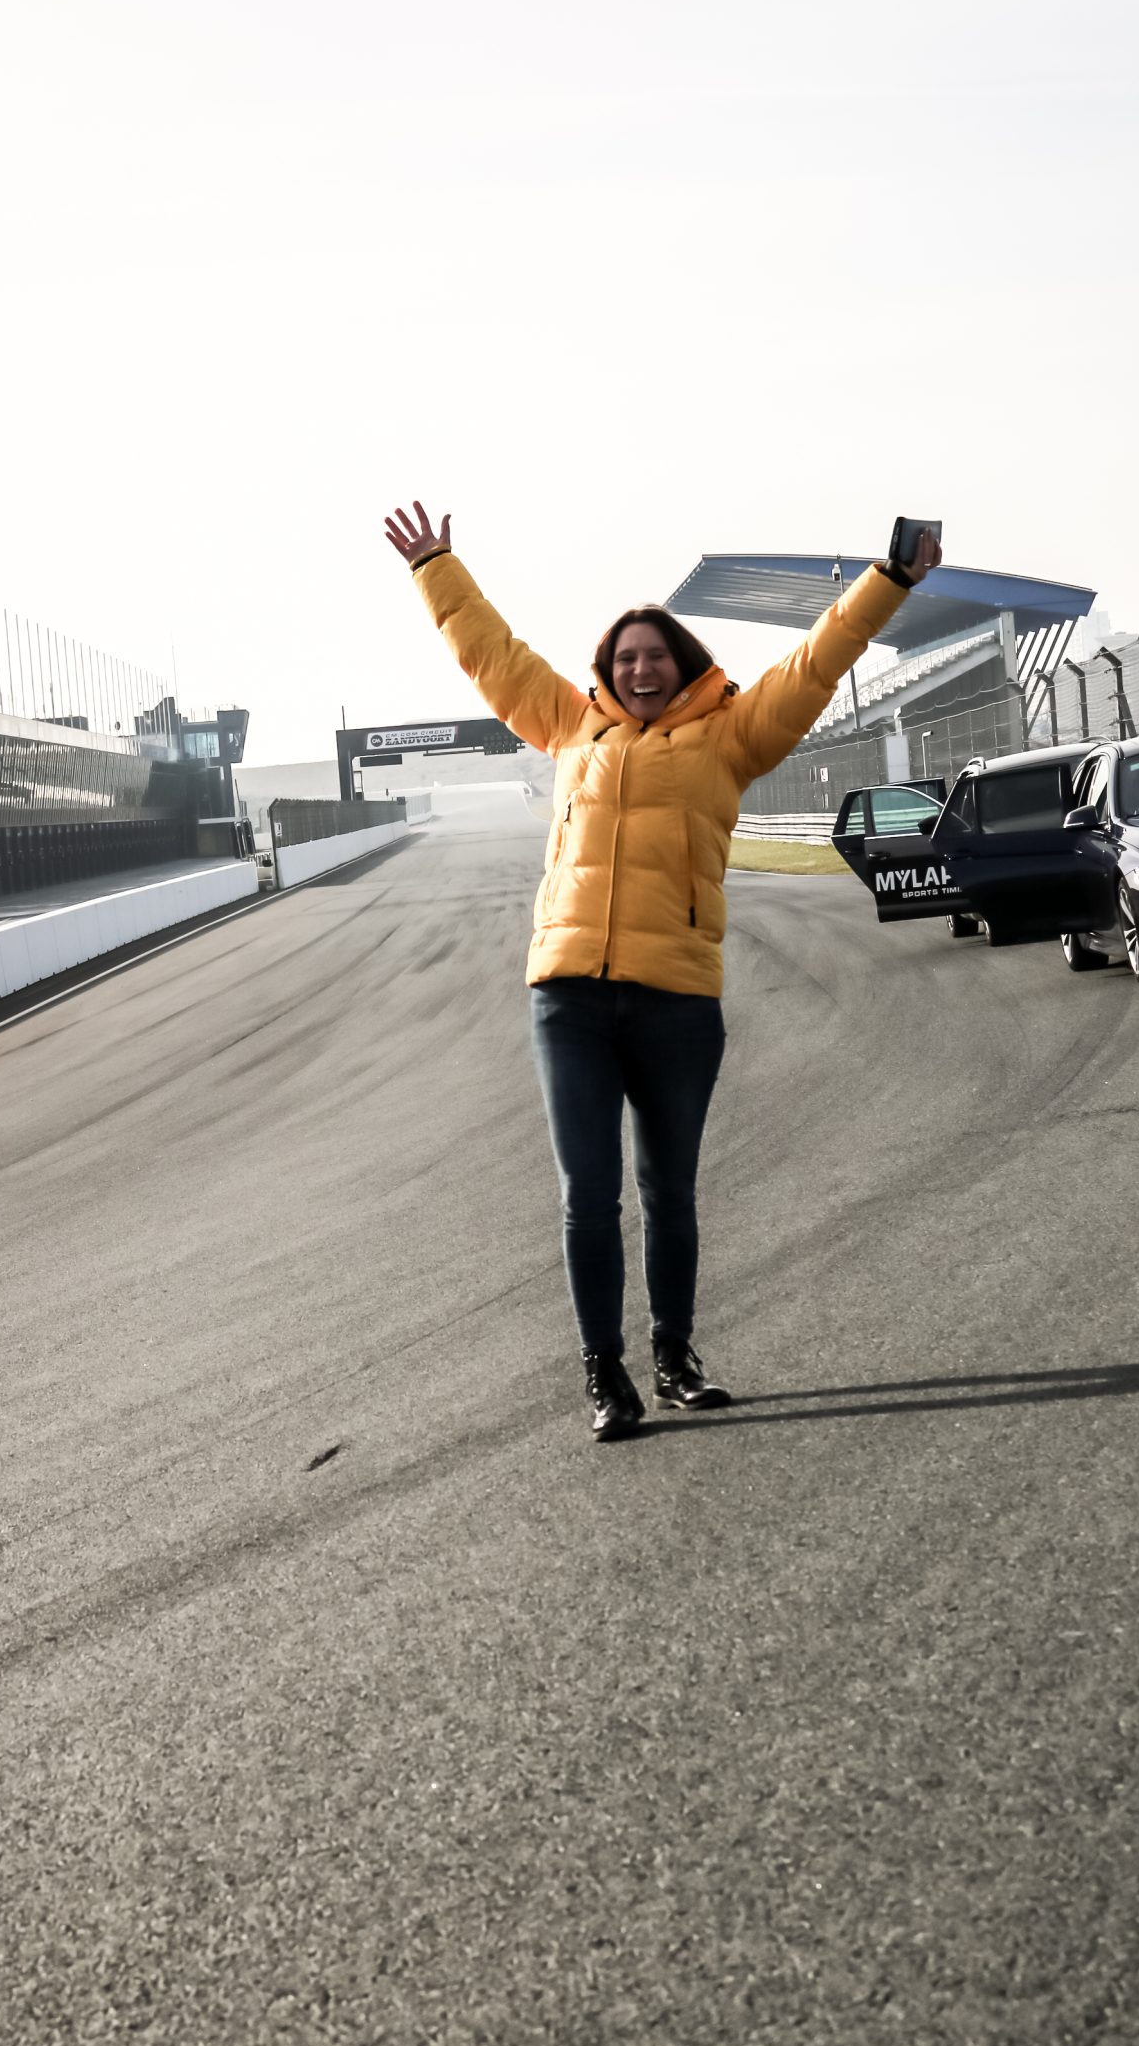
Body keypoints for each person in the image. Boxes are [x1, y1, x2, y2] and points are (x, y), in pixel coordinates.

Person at [383, 500, 940, 1440]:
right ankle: (605, 1375)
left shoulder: (732, 735)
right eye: (624, 658)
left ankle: (675, 1356)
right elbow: (492, 655)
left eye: (655, 657)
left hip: (676, 1000)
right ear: (606, 671)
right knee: (586, 1197)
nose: (639, 670)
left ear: (683, 665)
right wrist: (436, 566)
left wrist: (888, 581)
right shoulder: (569, 727)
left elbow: (816, 662)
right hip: (568, 998)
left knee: (668, 1194)